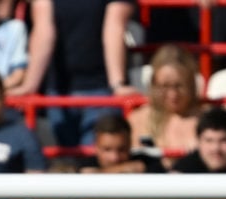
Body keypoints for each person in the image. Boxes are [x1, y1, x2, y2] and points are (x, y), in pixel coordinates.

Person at [12, 0, 138, 147]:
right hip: (59, 92)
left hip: (100, 91)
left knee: (92, 160)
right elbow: (43, 30)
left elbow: (114, 28)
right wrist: (29, 86)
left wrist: (117, 85)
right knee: (71, 160)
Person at [127, 44, 202, 168]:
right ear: (154, 85)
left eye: (179, 86)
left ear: (191, 84)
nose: (173, 94)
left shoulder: (206, 120)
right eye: (165, 86)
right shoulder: (137, 120)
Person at [77, 113, 164, 174]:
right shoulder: (83, 165)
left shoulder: (148, 162)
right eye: (107, 149)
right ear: (95, 146)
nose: (115, 157)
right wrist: (124, 169)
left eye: (121, 149)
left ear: (130, 144)